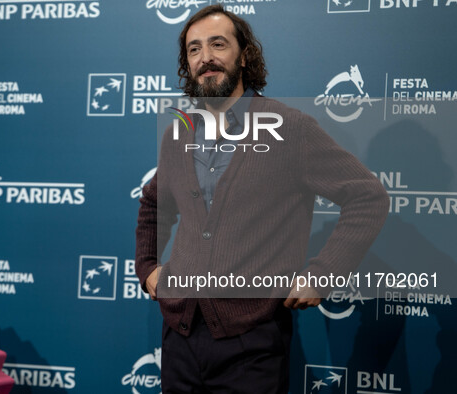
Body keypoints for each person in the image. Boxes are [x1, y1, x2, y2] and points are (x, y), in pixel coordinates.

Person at [135, 5, 389, 393]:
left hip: (251, 342)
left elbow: (367, 197)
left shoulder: (290, 129)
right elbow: (153, 204)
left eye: (218, 45)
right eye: (194, 50)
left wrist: (323, 274)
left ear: (244, 55)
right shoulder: (179, 133)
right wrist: (147, 266)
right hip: (179, 335)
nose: (206, 58)